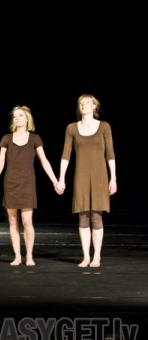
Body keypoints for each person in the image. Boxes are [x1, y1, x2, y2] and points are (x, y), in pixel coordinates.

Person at [0, 105, 59, 266]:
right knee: (13, 221)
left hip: (27, 184)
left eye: (20, 115)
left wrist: (55, 181)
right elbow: (0, 162)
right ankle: (17, 256)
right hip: (11, 184)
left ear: (27, 118)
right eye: (15, 116)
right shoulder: (7, 138)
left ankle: (29, 256)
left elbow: (44, 161)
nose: (17, 118)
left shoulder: (35, 138)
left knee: (27, 221)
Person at [57, 94, 117, 268]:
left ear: (94, 106)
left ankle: (96, 256)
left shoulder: (104, 126)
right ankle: (85, 256)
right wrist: (61, 178)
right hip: (81, 176)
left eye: (87, 102)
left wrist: (113, 178)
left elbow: (110, 154)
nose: (84, 105)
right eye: (81, 103)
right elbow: (66, 155)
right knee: (83, 216)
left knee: (96, 216)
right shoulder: (72, 128)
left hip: (100, 176)